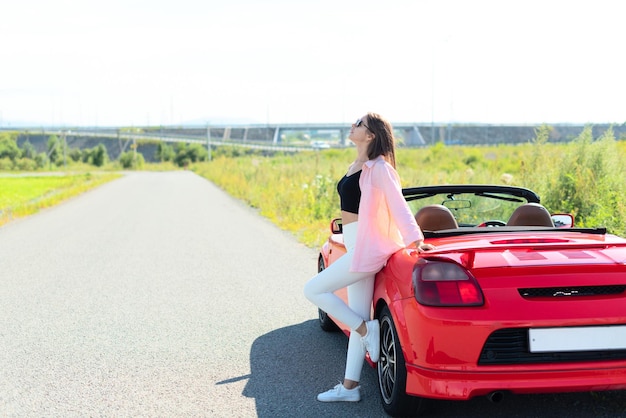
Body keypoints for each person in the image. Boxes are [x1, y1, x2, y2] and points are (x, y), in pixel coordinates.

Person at [304, 112, 434, 403]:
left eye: (359, 124)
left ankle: (366, 329)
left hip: (367, 247)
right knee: (357, 314)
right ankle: (350, 387)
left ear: (371, 135)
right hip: (354, 243)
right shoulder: (357, 165)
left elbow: (398, 204)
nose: (352, 126)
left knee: (312, 289)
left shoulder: (380, 168)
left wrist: (416, 239)